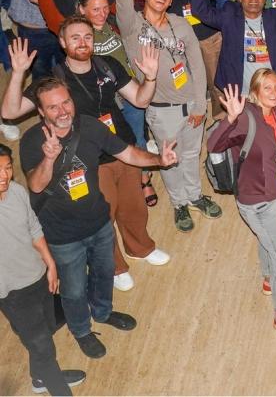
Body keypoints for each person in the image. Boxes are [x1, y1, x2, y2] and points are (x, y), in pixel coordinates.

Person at [3, 25, 167, 294]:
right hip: (90, 160)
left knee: (133, 206)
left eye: (87, 37)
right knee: (104, 216)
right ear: (63, 42)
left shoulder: (107, 65)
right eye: (75, 37)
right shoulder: (54, 81)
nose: (82, 42)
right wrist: (19, 72)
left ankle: (140, 247)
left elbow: (139, 99)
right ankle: (116, 267)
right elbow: (10, 111)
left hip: (120, 147)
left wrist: (149, 79)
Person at [21, 78, 178, 358]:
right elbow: (35, 186)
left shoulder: (91, 126)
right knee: (74, 289)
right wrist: (48, 159)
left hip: (99, 222)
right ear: (41, 112)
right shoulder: (34, 141)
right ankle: (81, 330)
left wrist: (159, 160)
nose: (62, 111)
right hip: (62, 235)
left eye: (65, 102)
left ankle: (104, 313)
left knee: (105, 274)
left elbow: (128, 153)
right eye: (53, 107)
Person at [110, 0, 218, 233]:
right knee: (168, 159)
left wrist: (200, 104)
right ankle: (179, 203)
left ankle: (195, 196)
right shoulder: (132, 25)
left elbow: (196, 63)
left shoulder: (180, 24)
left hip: (191, 105)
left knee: (191, 154)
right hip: (161, 109)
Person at [210, 74, 276, 340]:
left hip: (275, 191)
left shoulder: (273, 112)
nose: (274, 91)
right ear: (254, 90)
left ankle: (270, 279)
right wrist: (230, 118)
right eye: (268, 87)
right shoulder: (246, 118)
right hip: (257, 202)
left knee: (269, 241)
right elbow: (213, 145)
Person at [0, 144, 85, 395]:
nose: (4, 176)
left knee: (47, 328)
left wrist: (50, 264)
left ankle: (40, 377)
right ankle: (58, 389)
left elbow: (34, 229)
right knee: (41, 345)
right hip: (12, 293)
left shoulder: (16, 192)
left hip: (38, 276)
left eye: (7, 168)